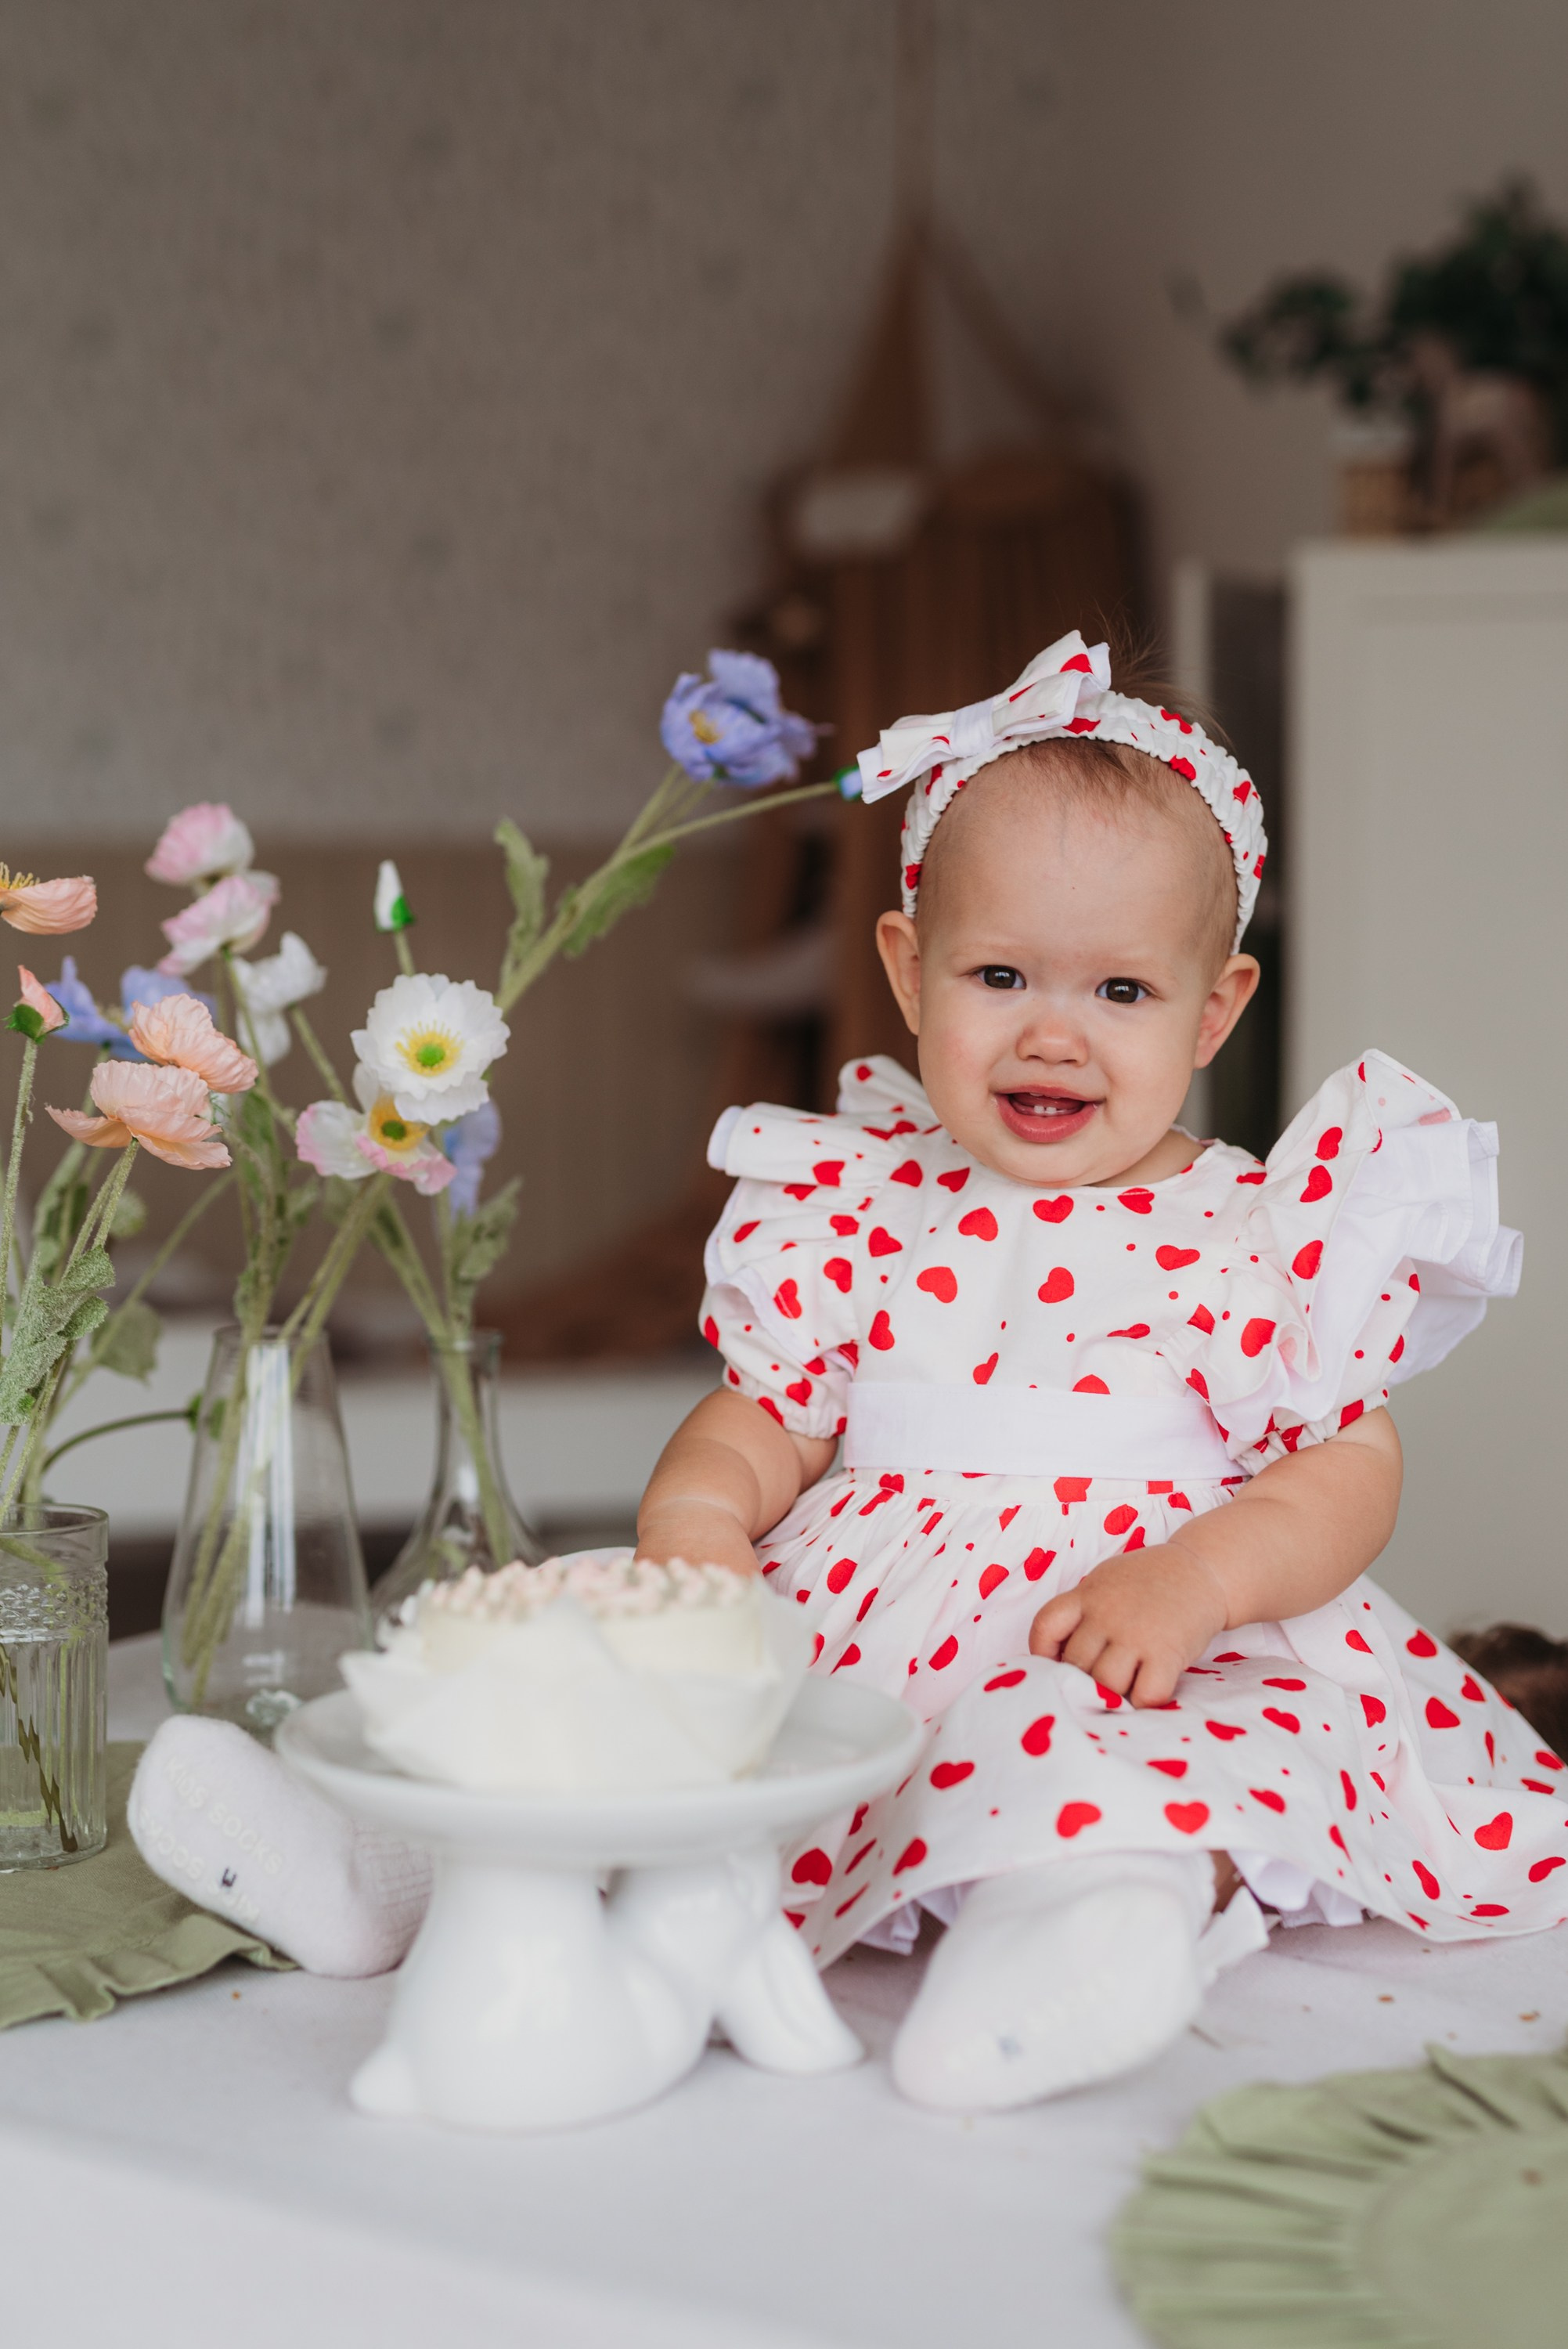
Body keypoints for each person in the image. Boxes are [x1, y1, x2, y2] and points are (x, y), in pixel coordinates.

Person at [634, 630, 1535, 2113]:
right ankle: (394, 1862)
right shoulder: (854, 1198)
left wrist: (1200, 1584)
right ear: (910, 973)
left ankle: (1085, 1925)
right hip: (861, 1634)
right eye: (1001, 974)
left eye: (1122, 992)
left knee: (1127, 1761)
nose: (1056, 1031)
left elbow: (1347, 1468)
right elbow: (769, 1413)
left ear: (1215, 1011)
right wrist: (699, 1522)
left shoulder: (1250, 1235)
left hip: (1126, 1636)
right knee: (639, 1733)